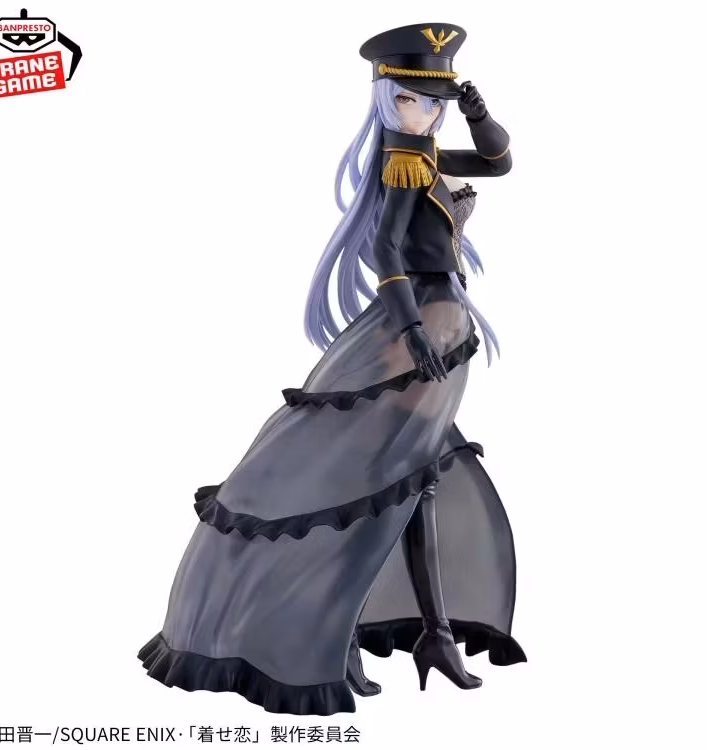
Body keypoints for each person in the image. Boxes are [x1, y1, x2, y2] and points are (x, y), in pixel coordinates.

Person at [137, 22, 526, 716]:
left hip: (441, 326)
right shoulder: (403, 164)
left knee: (414, 478)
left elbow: (498, 161)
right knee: (382, 480)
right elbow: (385, 250)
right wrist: (411, 327)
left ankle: (433, 633)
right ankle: (350, 636)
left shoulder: (426, 154)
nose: (422, 112)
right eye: (409, 99)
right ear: (384, 98)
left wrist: (475, 109)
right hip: (420, 327)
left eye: (432, 101)